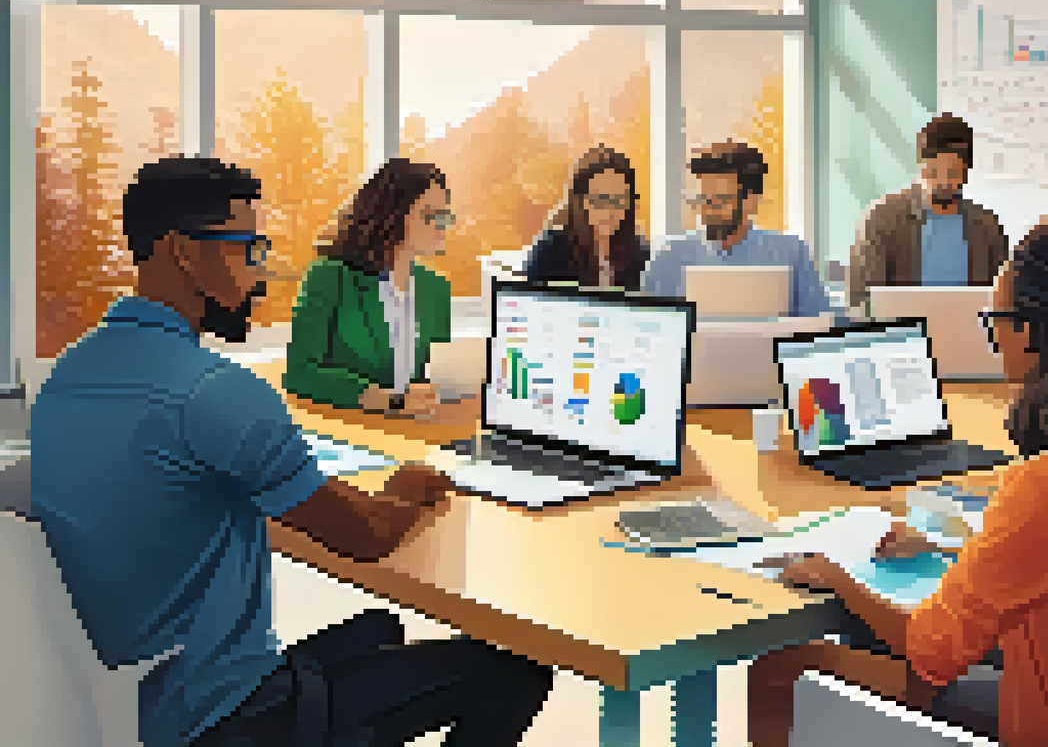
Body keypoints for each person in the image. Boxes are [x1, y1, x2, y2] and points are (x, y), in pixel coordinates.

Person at [28, 156, 554, 747]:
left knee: (380, 627)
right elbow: (367, 536)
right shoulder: (213, 392)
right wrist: (410, 489)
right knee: (517, 669)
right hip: (224, 713)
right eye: (246, 249)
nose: (259, 275)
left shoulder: (70, 373)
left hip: (133, 691)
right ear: (182, 252)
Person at [747, 221, 1048, 747]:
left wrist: (841, 581)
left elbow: (929, 651)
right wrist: (966, 549)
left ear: (1031, 330)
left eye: (994, 320)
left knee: (780, 670)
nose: (994, 335)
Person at [285, 158, 455, 416]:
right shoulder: (330, 277)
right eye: (430, 214)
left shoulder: (436, 289)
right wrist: (387, 400)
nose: (442, 225)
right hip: (352, 431)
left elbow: (431, 376)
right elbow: (300, 374)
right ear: (393, 214)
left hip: (416, 432)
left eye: (445, 214)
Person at [642, 140, 831, 316]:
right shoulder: (668, 257)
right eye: (702, 200)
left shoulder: (792, 254)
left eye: (719, 201)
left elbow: (819, 328)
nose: (707, 210)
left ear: (750, 200)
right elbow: (650, 333)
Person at [846, 113, 1010, 310]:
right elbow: (860, 302)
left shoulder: (987, 227)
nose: (942, 182)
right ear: (920, 166)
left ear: (966, 172)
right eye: (932, 172)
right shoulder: (880, 220)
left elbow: (1003, 302)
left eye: (952, 174)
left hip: (969, 338)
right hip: (903, 339)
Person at [522, 144, 650, 289]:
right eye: (600, 199)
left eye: (619, 200)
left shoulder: (639, 253)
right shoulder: (551, 250)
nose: (610, 210)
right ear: (580, 201)